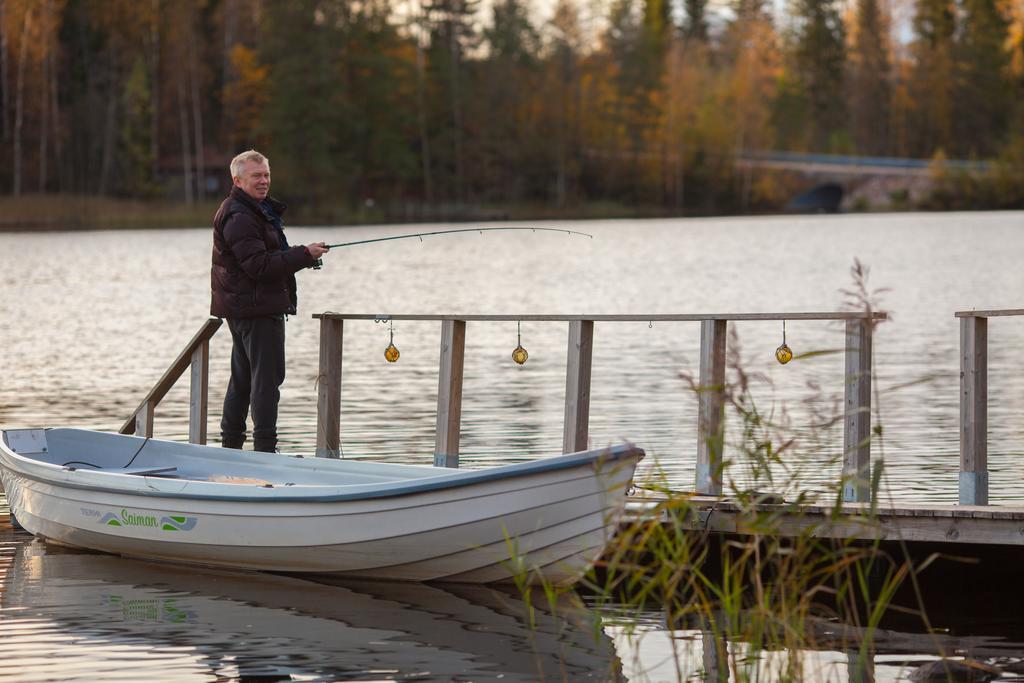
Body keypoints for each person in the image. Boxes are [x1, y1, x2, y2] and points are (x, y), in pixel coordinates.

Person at [210, 150, 329, 452]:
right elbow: (259, 267)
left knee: (245, 379)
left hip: (246, 308)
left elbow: (267, 258)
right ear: (237, 180)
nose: (264, 181)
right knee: (265, 380)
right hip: (256, 309)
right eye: (256, 176)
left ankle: (232, 447)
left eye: (266, 175)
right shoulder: (240, 216)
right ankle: (264, 450)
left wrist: (303, 257)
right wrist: (303, 254)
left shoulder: (254, 210)